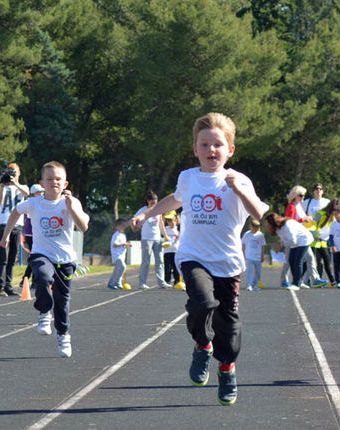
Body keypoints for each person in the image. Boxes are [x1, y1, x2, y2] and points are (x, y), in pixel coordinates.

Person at [130, 112, 269, 406]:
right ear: (195, 149)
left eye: (217, 144)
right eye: (204, 145)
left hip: (228, 263)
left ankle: (226, 368)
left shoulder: (240, 180)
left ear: (230, 150)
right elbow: (174, 200)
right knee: (202, 303)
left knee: (228, 325)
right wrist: (146, 213)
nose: (211, 151)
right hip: (193, 256)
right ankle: (202, 345)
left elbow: (258, 213)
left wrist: (238, 190)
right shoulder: (188, 177)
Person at [0, 161, 90, 358]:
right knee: (42, 276)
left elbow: (83, 226)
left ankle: (63, 335)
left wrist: (71, 208)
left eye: (58, 179)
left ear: (65, 183)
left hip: (66, 259)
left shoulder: (72, 202)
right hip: (41, 253)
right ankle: (43, 313)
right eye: (49, 179)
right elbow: (15, 212)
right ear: (42, 183)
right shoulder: (34, 202)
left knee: (62, 302)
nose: (54, 182)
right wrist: (6, 235)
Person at [0, 163, 29, 296]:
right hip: (4, 222)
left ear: (19, 173)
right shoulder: (3, 186)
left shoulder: (21, 187)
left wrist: (14, 183)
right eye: (10, 172)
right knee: (3, 257)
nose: (11, 175)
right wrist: (2, 184)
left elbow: (27, 193)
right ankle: (0, 286)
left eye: (14, 172)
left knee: (12, 257)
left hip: (17, 224)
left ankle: (8, 286)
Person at [133, 191, 171, 289]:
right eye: (152, 203)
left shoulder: (158, 210)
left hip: (157, 239)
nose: (154, 205)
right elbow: (135, 220)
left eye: (155, 203)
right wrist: (138, 225)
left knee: (160, 261)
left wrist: (165, 235)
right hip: (147, 239)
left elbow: (161, 224)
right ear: (148, 201)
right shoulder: (142, 210)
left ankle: (161, 282)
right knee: (146, 261)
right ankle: (142, 283)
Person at [265, 213, 313, 289]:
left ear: (272, 222)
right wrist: (279, 245)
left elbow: (293, 240)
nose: (267, 226)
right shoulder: (278, 229)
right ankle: (298, 281)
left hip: (304, 240)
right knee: (291, 261)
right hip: (295, 242)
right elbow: (285, 239)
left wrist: (281, 245)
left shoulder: (287, 226)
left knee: (297, 261)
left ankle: (296, 284)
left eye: (267, 223)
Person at [309, 199, 340, 287]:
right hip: (314, 241)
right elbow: (312, 225)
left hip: (323, 241)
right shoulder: (321, 213)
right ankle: (301, 280)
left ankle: (332, 282)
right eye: (338, 208)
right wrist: (314, 235)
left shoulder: (334, 217)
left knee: (326, 261)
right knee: (309, 261)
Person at [19, 184, 44, 290]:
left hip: (37, 233)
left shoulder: (38, 203)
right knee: (35, 257)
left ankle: (26, 279)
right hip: (31, 233)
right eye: (40, 192)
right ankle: (31, 280)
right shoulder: (31, 203)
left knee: (35, 257)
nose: (42, 194)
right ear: (35, 194)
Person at [241, 220, 266, 291]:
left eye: (257, 227)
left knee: (258, 272)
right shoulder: (247, 234)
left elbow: (263, 246)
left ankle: (255, 285)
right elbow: (243, 244)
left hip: (258, 257)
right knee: (250, 271)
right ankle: (249, 285)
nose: (255, 229)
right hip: (249, 256)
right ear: (250, 226)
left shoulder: (261, 235)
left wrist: (262, 256)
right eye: (254, 227)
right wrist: (243, 255)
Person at [108, 219, 132, 290]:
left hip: (121, 255)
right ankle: (117, 282)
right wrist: (125, 244)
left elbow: (121, 244)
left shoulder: (123, 235)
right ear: (117, 226)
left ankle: (112, 283)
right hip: (117, 255)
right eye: (122, 226)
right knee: (122, 267)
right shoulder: (116, 235)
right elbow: (115, 244)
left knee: (118, 269)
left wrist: (126, 245)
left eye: (125, 226)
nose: (124, 227)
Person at [163, 211, 182, 288]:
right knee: (167, 267)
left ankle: (177, 281)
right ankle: (167, 281)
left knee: (175, 267)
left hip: (175, 251)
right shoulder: (166, 229)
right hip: (167, 251)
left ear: (175, 220)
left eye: (172, 221)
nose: (170, 223)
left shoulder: (178, 229)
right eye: (168, 221)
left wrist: (178, 236)